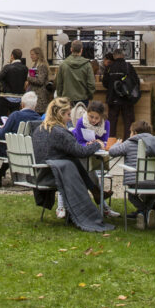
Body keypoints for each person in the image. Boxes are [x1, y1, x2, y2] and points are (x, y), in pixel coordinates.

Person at [30, 96, 113, 227]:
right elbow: (81, 152)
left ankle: (95, 191)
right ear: (60, 114)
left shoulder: (40, 129)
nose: (70, 118)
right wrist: (98, 144)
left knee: (73, 161)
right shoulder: (58, 132)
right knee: (74, 161)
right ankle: (95, 192)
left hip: (42, 171)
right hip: (53, 175)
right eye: (68, 114)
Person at [108, 119, 155, 228]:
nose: (129, 134)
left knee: (132, 195)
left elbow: (112, 152)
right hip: (154, 181)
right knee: (152, 195)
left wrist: (116, 143)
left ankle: (142, 211)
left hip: (135, 181)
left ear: (135, 133)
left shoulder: (129, 143)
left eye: (130, 132)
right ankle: (149, 210)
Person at [101, 47, 139, 140]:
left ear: (114, 56)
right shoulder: (128, 66)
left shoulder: (109, 67)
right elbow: (136, 82)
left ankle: (111, 143)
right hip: (127, 98)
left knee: (112, 122)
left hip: (113, 99)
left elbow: (105, 83)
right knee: (128, 122)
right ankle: (128, 142)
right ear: (123, 55)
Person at [56, 41, 97, 106]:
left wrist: (60, 96)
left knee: (68, 116)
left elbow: (59, 83)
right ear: (81, 50)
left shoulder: (63, 64)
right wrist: (90, 96)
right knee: (81, 116)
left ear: (71, 49)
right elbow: (91, 84)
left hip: (67, 98)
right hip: (83, 98)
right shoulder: (87, 65)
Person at [0, 48, 29, 117]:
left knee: (2, 118)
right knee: (15, 118)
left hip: (6, 96)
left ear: (12, 56)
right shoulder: (25, 68)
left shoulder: (7, 67)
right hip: (18, 97)